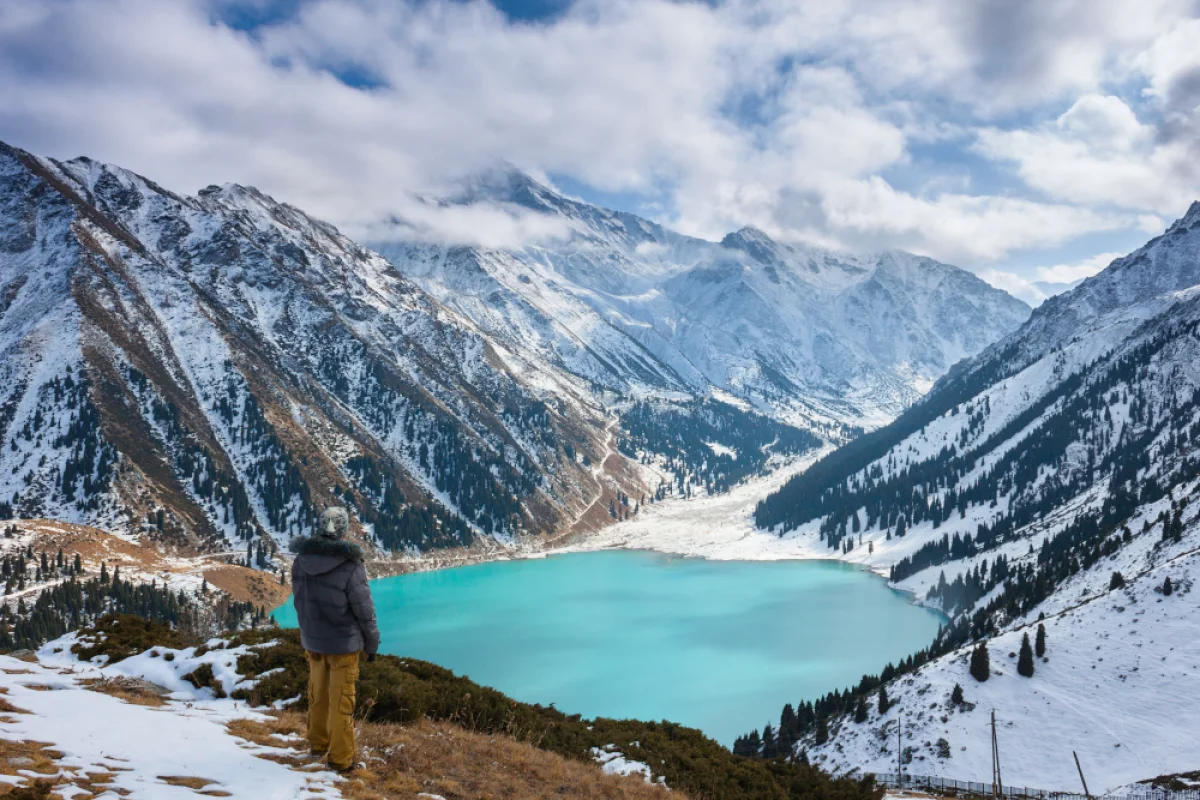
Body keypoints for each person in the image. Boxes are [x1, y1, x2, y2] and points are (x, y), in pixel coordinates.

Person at [291, 506, 380, 772]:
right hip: (343, 645)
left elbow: (299, 601)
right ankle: (341, 761)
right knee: (342, 702)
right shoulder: (351, 566)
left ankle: (317, 746)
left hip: (313, 642)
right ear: (343, 530)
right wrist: (372, 644)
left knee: (318, 697)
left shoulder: (301, 560)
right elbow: (365, 612)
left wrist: (308, 633)